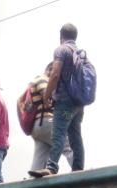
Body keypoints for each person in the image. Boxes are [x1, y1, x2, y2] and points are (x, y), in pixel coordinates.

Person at [28, 23, 86, 178]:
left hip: (65, 101)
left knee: (58, 134)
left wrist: (47, 96)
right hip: (79, 103)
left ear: (61, 36)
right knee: (75, 137)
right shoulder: (81, 54)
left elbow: (54, 76)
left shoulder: (61, 50)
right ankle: (79, 169)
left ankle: (52, 167)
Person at [19, 63, 74, 174]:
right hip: (46, 122)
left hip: (38, 127)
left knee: (39, 160)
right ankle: (80, 170)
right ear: (50, 70)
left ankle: (31, 187)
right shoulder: (42, 79)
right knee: (69, 145)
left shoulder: (34, 82)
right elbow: (48, 97)